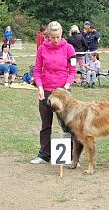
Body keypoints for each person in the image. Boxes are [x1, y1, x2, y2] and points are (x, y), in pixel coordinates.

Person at [31, 21, 77, 164]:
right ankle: (44, 154)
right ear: (48, 36)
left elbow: (73, 70)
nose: (56, 40)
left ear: (62, 34)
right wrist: (40, 88)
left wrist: (67, 85)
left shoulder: (69, 48)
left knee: (67, 125)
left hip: (63, 93)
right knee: (46, 125)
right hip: (46, 91)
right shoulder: (42, 49)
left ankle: (70, 156)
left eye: (58, 37)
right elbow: (37, 71)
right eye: (53, 37)